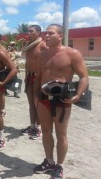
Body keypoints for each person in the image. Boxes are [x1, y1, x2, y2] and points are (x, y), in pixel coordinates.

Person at [33, 24, 89, 179]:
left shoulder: (72, 54)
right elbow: (39, 76)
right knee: (45, 131)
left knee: (61, 134)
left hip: (62, 100)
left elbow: (84, 76)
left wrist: (78, 95)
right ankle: (49, 161)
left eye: (51, 33)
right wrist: (36, 95)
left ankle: (60, 166)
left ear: (60, 35)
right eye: (46, 33)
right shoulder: (42, 54)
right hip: (43, 99)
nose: (47, 36)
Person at [22, 25, 47, 140]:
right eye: (28, 31)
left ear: (38, 33)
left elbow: (49, 60)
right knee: (31, 103)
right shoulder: (28, 45)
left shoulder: (42, 44)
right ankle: (32, 126)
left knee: (38, 104)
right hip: (29, 76)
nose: (28, 33)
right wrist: (26, 76)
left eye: (31, 31)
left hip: (39, 77)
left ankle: (39, 128)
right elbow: (27, 62)